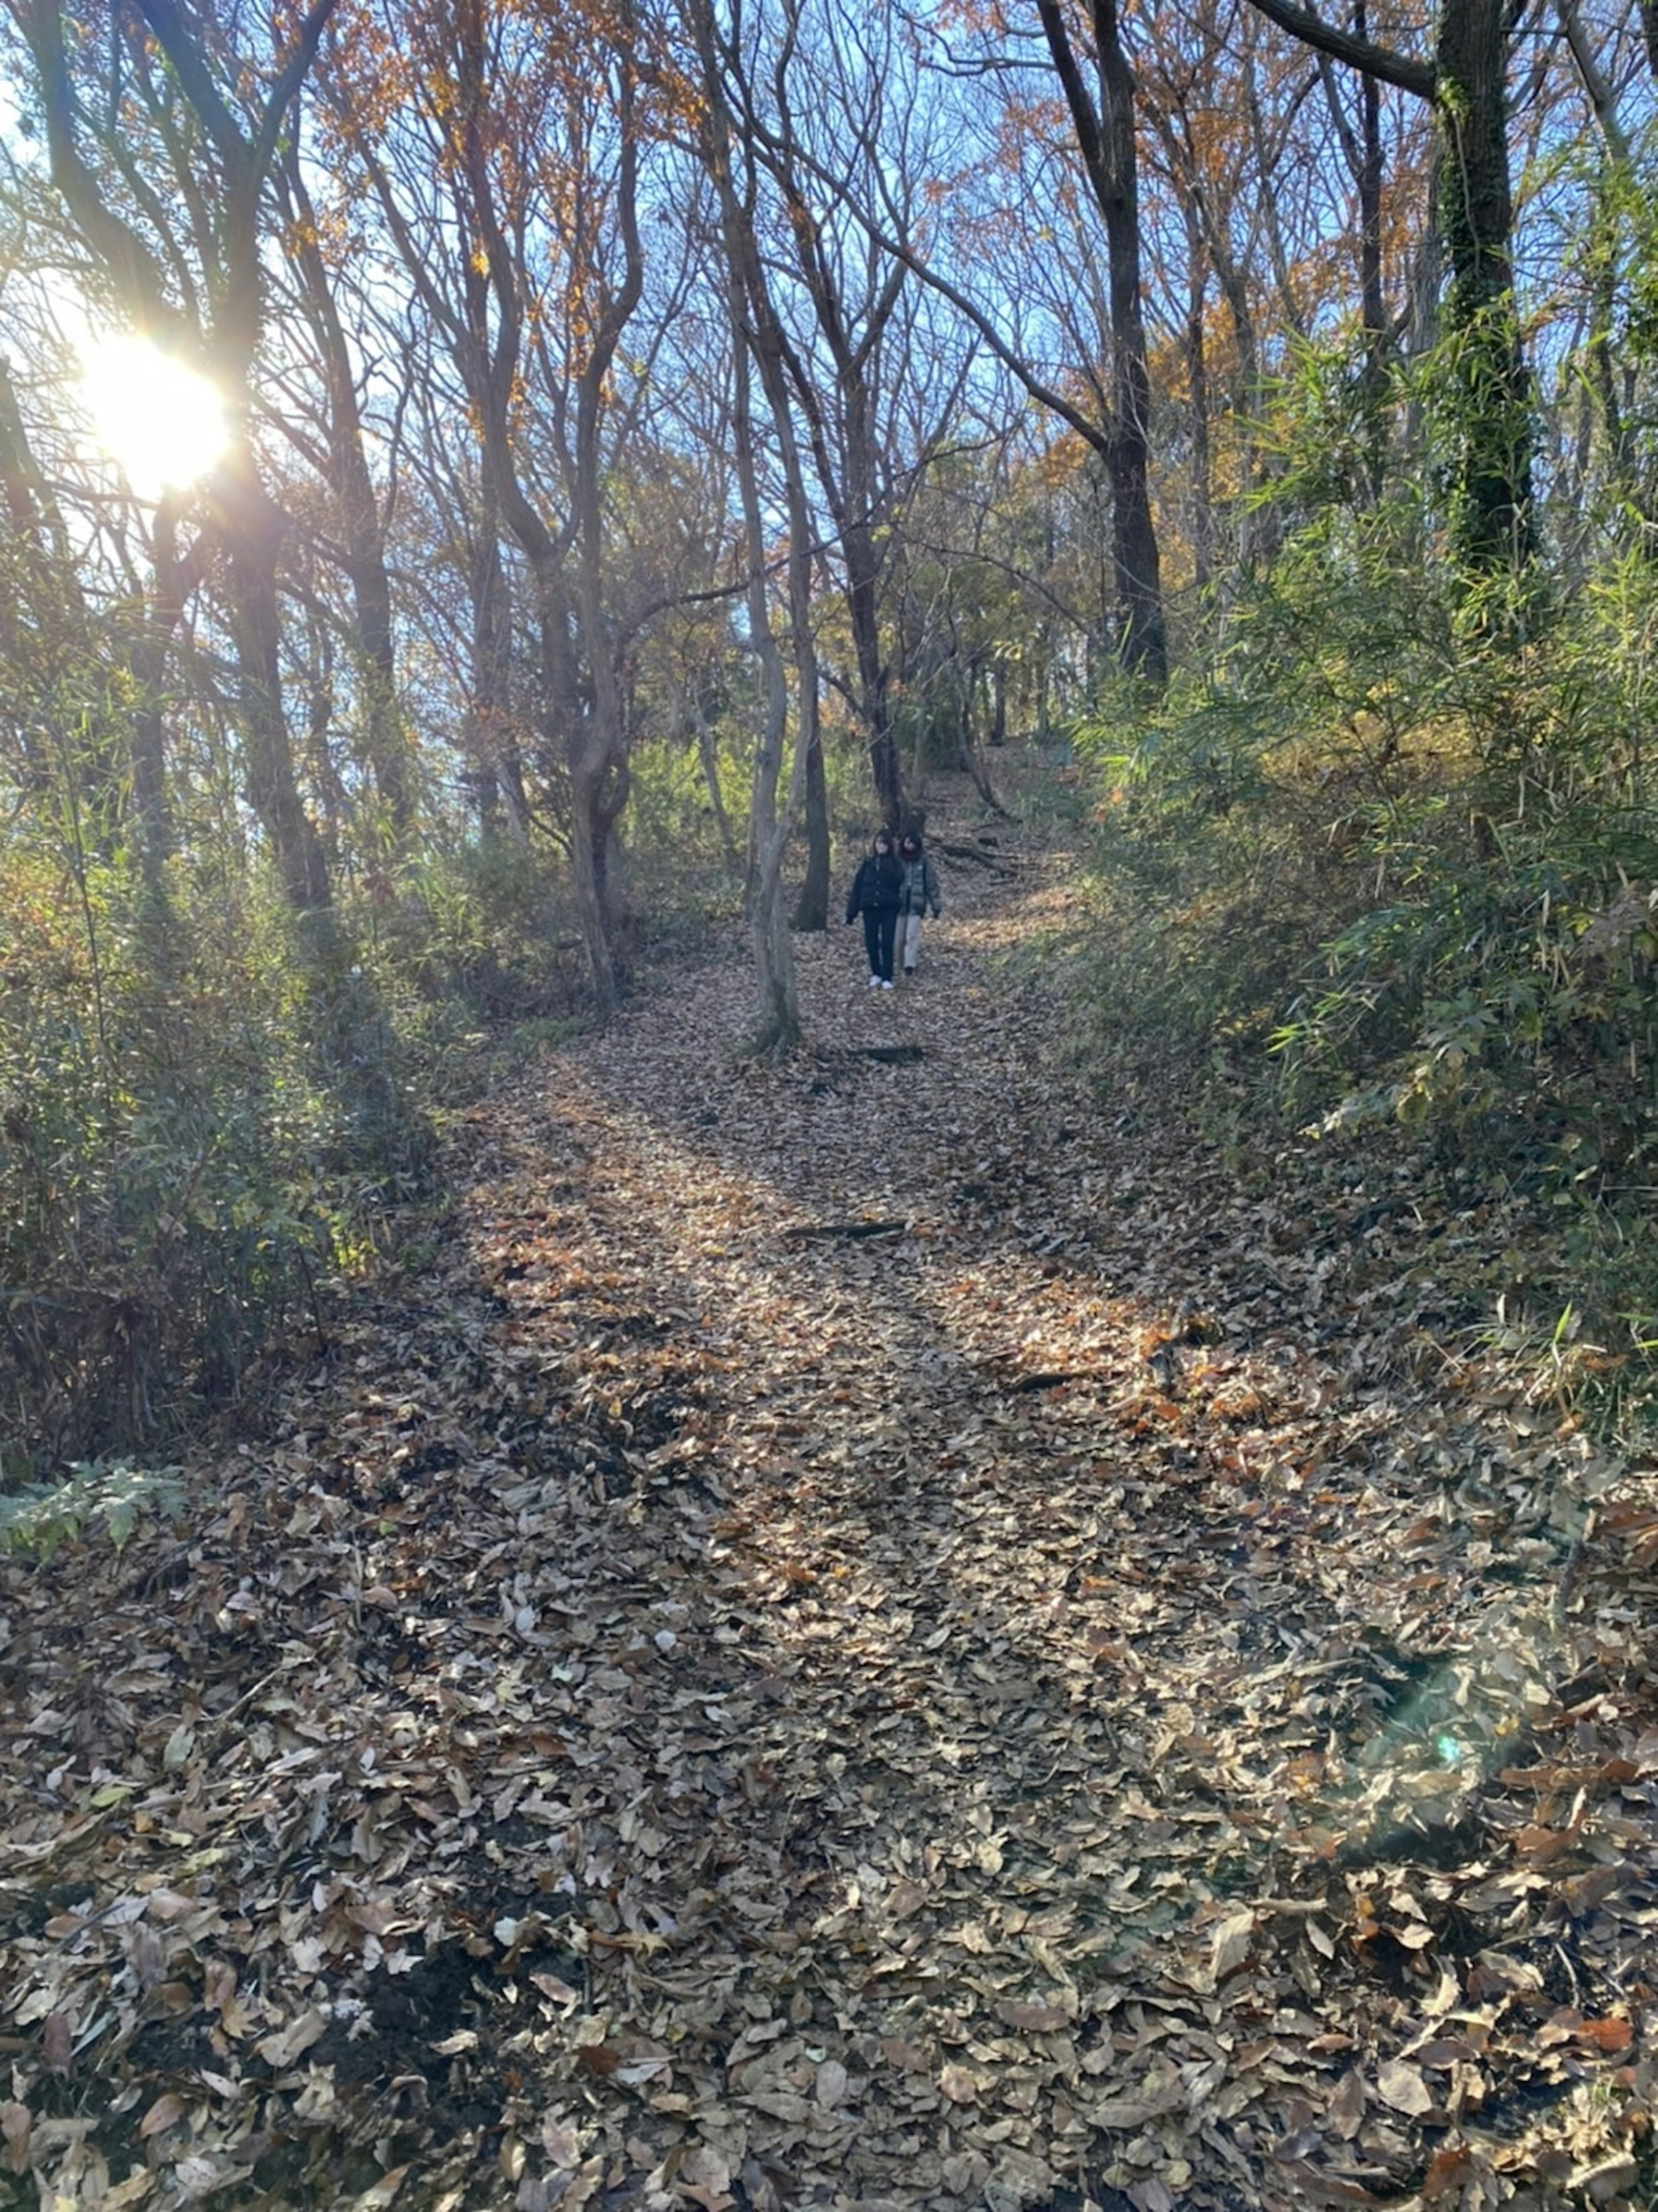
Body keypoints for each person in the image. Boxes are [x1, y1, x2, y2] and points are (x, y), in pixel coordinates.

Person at [845, 829, 904, 988]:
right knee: (871, 942)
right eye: (879, 843)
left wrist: (886, 863)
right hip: (870, 908)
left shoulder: (896, 864)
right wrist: (852, 913)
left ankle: (887, 977)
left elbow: (899, 881)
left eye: (884, 843)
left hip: (888, 908)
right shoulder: (867, 864)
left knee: (887, 941)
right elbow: (858, 888)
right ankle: (876, 973)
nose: (881, 846)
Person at [895, 829, 941, 977]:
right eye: (907, 842)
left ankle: (910, 965)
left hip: (916, 905)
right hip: (899, 906)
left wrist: (936, 906)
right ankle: (899, 963)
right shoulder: (897, 861)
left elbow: (931, 885)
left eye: (913, 843)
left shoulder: (924, 862)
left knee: (912, 936)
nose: (910, 846)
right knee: (899, 938)